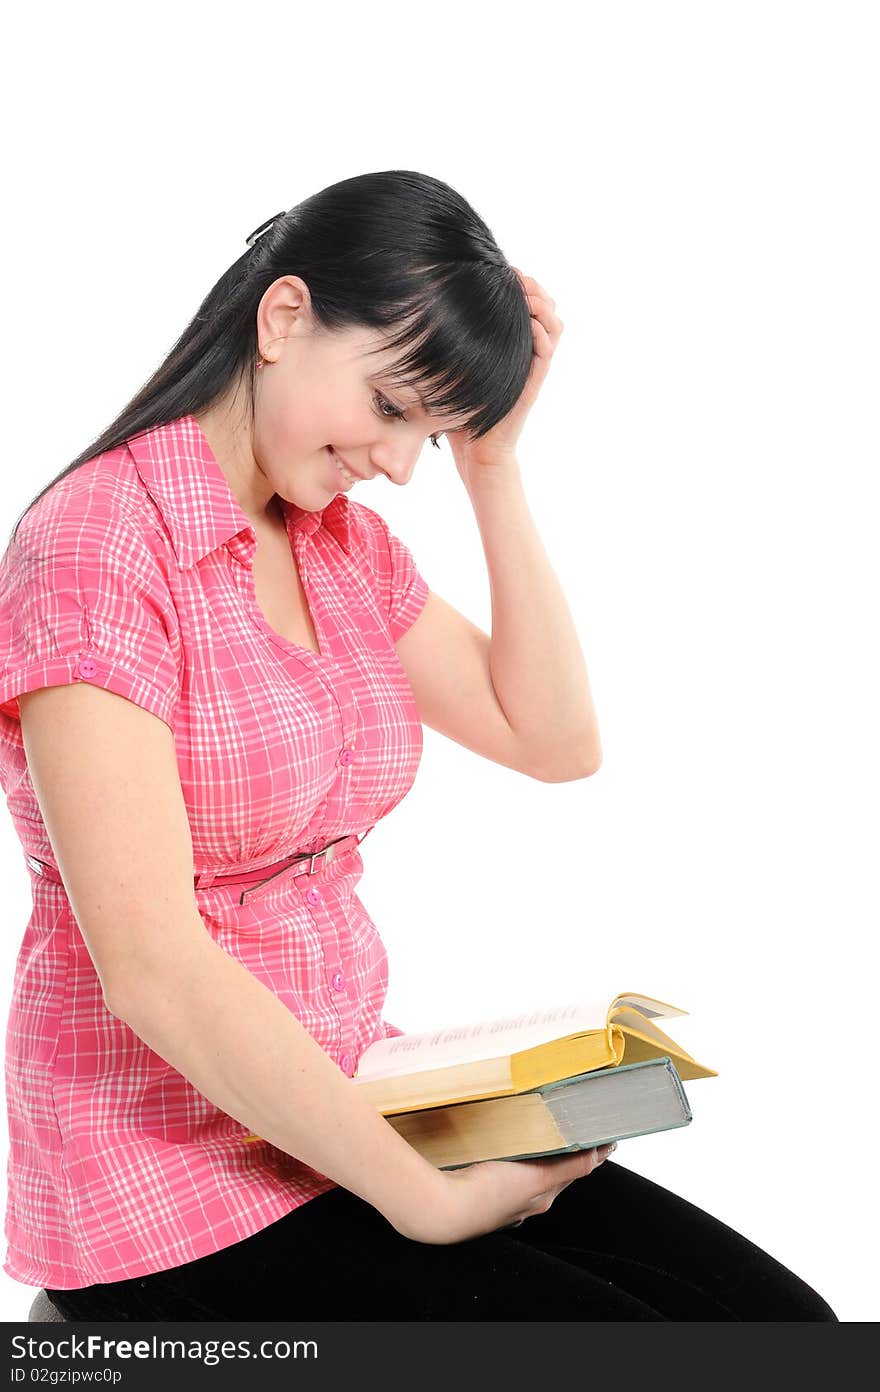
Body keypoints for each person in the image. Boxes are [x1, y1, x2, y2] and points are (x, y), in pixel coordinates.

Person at [0, 170, 837, 1322]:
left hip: (345, 1106)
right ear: (284, 319)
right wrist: (420, 1200)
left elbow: (551, 738)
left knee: (780, 1328)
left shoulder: (338, 547)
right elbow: (152, 968)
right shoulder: (98, 550)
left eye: (428, 436)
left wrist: (489, 465)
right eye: (392, 409)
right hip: (167, 1178)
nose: (400, 464)